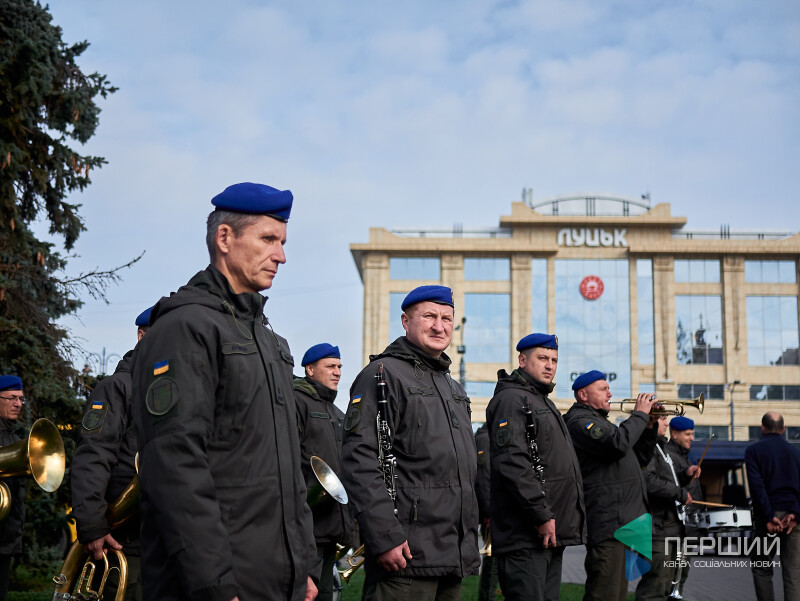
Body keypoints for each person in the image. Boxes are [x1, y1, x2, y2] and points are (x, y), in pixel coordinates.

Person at [132, 183, 318, 601]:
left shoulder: (269, 340)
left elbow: (287, 466)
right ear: (224, 238)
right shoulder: (185, 327)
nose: (281, 256)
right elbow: (174, 464)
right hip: (219, 583)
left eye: (283, 242)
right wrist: (213, 582)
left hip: (276, 579)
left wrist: (303, 565)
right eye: (268, 239)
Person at [341, 285, 479, 601]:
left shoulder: (454, 388)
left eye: (446, 318)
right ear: (406, 321)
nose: (439, 326)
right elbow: (360, 460)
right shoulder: (382, 374)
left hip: (451, 556)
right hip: (404, 557)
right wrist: (385, 536)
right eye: (429, 316)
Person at [485, 334, 586, 601]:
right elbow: (512, 462)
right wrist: (540, 515)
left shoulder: (542, 400)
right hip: (526, 534)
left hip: (548, 532)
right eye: (542, 358)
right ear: (522, 360)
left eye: (554, 360)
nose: (550, 365)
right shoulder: (512, 399)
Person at [71, 306, 153, 601]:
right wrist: (93, 525)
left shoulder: (169, 389)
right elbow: (93, 454)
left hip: (161, 539)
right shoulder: (116, 387)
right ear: (141, 336)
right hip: (123, 541)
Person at [563, 371, 658, 601]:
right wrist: (639, 415)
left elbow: (641, 458)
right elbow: (617, 443)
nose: (610, 394)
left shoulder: (601, 422)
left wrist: (648, 425)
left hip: (622, 523)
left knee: (617, 594)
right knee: (605, 593)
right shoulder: (580, 422)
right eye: (603, 389)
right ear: (583, 395)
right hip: (608, 524)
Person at [293, 343, 354, 601]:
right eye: (330, 366)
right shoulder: (296, 402)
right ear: (310, 369)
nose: (337, 371)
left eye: (339, 366)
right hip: (307, 529)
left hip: (331, 531)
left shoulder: (338, 413)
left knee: (325, 595)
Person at [635, 415, 699, 601]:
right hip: (656, 529)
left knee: (668, 587)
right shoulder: (647, 446)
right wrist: (679, 493)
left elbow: (666, 478)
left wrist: (685, 475)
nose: (667, 423)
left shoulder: (660, 446)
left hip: (669, 527)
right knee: (655, 588)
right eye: (662, 418)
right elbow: (648, 480)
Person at [745, 411, 800, 601]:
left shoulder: (753, 451)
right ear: (783, 429)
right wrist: (795, 515)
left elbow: (757, 487)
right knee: (793, 571)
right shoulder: (796, 453)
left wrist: (769, 517)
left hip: (766, 518)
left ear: (763, 428)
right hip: (792, 519)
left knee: (762, 567)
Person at [0, 376, 25, 601]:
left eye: (20, 399)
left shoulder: (15, 437)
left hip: (6, 537)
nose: (18, 404)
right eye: (12, 398)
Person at [474, 422, 498, 601]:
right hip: (493, 514)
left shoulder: (488, 436)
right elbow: (484, 477)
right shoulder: (485, 438)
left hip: (495, 511)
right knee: (492, 565)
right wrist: (489, 512)